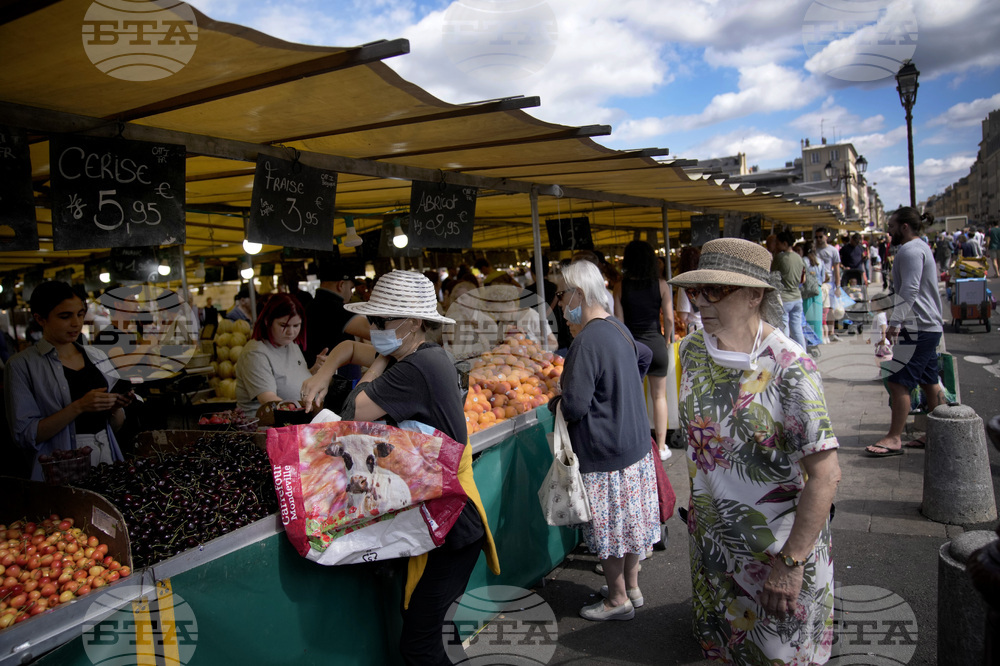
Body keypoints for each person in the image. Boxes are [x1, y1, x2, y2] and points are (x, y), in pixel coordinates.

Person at [299, 270, 499, 666]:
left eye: (382, 321)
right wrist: (326, 369)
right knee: (433, 631)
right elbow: (348, 347)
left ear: (414, 322)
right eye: (372, 320)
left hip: (451, 525)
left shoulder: (414, 368)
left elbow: (351, 414)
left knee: (420, 645)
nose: (374, 329)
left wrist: (377, 363)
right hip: (446, 518)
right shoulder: (424, 355)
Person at [668, 238, 841, 665]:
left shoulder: (790, 368)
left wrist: (791, 564)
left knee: (775, 654)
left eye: (715, 290)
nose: (700, 301)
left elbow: (825, 475)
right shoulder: (690, 351)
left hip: (776, 558)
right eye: (697, 290)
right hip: (713, 552)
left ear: (754, 296)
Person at [553, 260, 660, 622]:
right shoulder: (617, 327)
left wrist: (558, 401)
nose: (559, 303)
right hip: (635, 446)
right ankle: (632, 588)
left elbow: (575, 405)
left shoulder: (586, 341)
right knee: (629, 526)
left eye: (561, 294)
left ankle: (617, 600)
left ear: (578, 294)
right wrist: (621, 391)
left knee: (610, 531)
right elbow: (644, 356)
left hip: (605, 453)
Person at [5, 281, 130, 481]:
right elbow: (25, 435)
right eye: (65, 316)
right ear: (40, 318)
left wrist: (115, 407)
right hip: (60, 467)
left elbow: (114, 425)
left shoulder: (97, 356)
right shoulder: (21, 365)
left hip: (106, 457)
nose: (76, 323)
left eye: (80, 314)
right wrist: (79, 406)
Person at [866, 208, 946, 457]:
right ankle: (939, 433)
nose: (888, 230)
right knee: (929, 381)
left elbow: (910, 290)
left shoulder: (910, 250)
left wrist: (894, 324)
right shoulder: (920, 247)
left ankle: (894, 438)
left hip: (918, 326)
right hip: (927, 325)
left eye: (891, 225)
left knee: (898, 381)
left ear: (904, 227)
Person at [613, 240, 675, 461]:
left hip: (633, 347)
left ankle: (640, 445)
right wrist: (665, 340)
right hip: (656, 343)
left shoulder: (620, 287)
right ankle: (662, 447)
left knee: (634, 397)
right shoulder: (662, 285)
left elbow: (619, 321)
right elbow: (669, 318)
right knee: (659, 396)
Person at [234, 294, 314, 415]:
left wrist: (314, 371)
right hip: (266, 422)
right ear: (268, 321)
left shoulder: (290, 343)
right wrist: (300, 412)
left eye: (296, 325)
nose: (291, 332)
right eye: (284, 325)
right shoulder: (255, 354)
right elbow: (268, 399)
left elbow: (291, 379)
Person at [304, 264, 369, 367]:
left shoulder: (311, 305)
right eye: (351, 288)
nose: (351, 294)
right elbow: (371, 331)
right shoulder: (332, 307)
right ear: (341, 285)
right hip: (334, 372)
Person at [772, 231, 807, 350]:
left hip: (784, 298)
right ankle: (803, 353)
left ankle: (786, 352)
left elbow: (772, 275)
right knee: (797, 329)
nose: (776, 245)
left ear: (785, 243)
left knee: (784, 329)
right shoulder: (798, 258)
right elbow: (803, 278)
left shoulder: (780, 257)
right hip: (797, 297)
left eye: (778, 243)